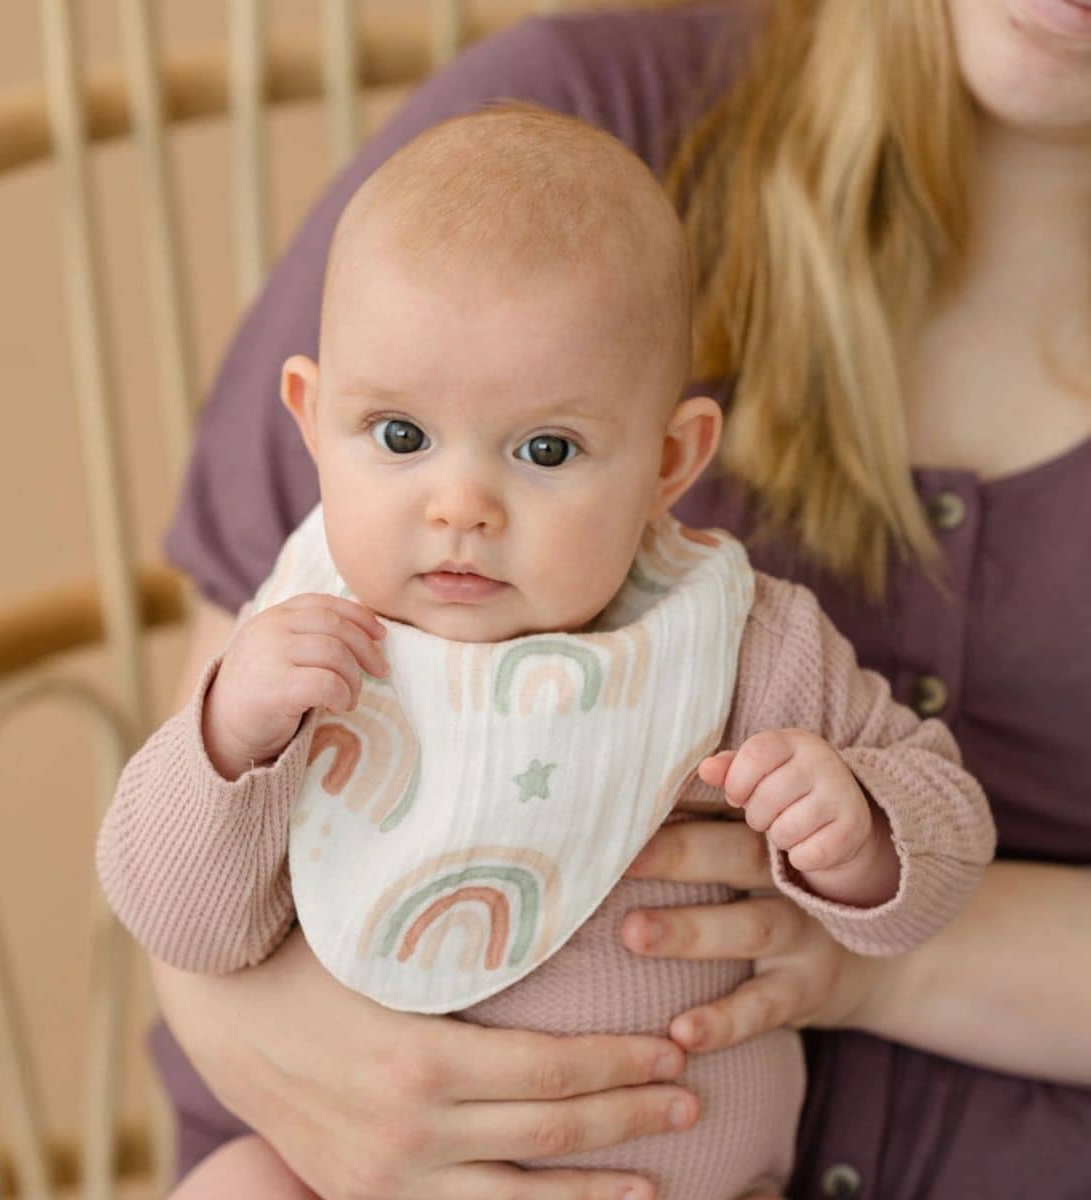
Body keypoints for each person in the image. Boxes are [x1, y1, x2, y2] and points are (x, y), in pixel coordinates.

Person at [143, 2, 1091, 1198]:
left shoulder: (732, 638)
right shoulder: (314, 637)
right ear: (311, 417)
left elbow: (936, 825)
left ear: (672, 463)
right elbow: (169, 910)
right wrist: (225, 740)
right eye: (399, 437)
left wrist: (859, 838)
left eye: (546, 451)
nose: (460, 507)